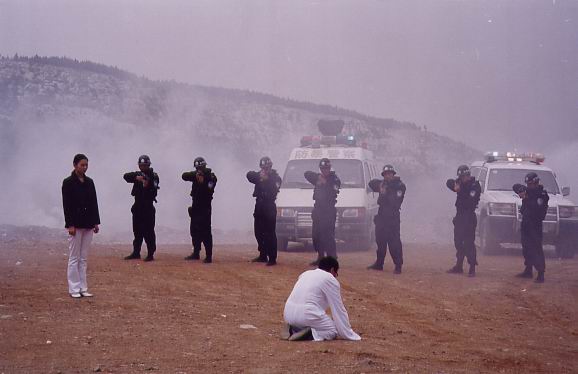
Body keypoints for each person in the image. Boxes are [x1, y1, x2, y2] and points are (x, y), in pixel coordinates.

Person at [283, 256, 361, 341]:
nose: (335, 276)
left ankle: (293, 329)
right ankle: (311, 334)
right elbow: (338, 309)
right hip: (307, 314)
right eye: (336, 273)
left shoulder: (305, 273)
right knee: (333, 330)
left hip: (288, 314)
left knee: (322, 318)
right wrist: (348, 333)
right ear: (332, 270)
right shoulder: (330, 278)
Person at [61, 154, 100, 298]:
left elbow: (94, 202)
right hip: (76, 224)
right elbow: (67, 205)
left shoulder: (90, 182)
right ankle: (74, 288)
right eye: (82, 165)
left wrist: (96, 222)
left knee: (83, 258)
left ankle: (83, 287)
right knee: (74, 257)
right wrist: (70, 224)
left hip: (88, 223)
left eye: (86, 165)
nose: (84, 167)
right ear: (75, 165)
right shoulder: (68, 182)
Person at [367, 164, 406, 274]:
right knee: (380, 241)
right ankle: (379, 263)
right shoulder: (383, 184)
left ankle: (398, 266)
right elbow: (371, 183)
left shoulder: (400, 186)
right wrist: (381, 186)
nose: (387, 176)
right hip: (382, 217)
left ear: (393, 174)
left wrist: (385, 192)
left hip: (392, 218)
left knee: (394, 243)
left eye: (389, 174)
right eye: (385, 174)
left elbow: (395, 202)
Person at [513, 172, 549, 283]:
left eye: (531, 184)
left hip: (535, 224)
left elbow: (537, 209)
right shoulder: (528, 191)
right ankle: (528, 270)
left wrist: (527, 197)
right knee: (526, 248)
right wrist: (522, 190)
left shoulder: (541, 195)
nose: (529, 186)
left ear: (536, 183)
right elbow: (515, 186)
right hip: (526, 223)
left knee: (536, 248)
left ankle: (541, 273)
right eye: (528, 184)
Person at [446, 165, 481, 277]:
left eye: (464, 176)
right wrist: (455, 186)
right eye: (461, 177)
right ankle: (459, 265)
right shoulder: (460, 183)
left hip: (469, 216)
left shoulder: (475, 186)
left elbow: (470, 201)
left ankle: (472, 267)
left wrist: (460, 189)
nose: (463, 178)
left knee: (469, 242)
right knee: (458, 241)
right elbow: (449, 182)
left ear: (468, 175)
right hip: (460, 215)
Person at [247, 156, 282, 266]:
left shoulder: (276, 178)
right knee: (258, 232)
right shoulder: (259, 176)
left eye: (267, 168)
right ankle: (262, 254)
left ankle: (272, 258)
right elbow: (249, 175)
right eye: (263, 168)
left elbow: (275, 189)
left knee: (270, 233)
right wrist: (259, 176)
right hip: (259, 206)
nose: (265, 170)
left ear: (270, 167)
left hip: (269, 206)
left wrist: (268, 179)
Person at [123, 155, 159, 262]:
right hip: (138, 206)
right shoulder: (137, 174)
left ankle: (150, 253)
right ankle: (136, 252)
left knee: (149, 232)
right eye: (141, 165)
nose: (143, 167)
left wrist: (147, 184)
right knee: (137, 231)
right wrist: (136, 178)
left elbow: (154, 189)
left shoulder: (153, 176)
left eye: (145, 165)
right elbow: (125, 176)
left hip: (148, 206)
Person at [304, 158, 340, 266]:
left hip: (329, 211)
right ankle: (320, 257)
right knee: (316, 235)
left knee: (328, 235)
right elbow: (306, 174)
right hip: (318, 210)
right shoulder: (318, 178)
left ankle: (332, 258)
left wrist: (326, 183)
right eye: (323, 169)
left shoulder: (335, 179)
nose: (325, 170)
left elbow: (334, 189)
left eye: (326, 168)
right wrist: (319, 178)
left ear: (330, 168)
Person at [182, 157, 217, 263]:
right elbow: (184, 176)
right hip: (196, 206)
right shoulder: (195, 175)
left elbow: (209, 189)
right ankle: (196, 252)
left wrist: (203, 181)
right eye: (197, 168)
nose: (199, 170)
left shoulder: (211, 177)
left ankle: (208, 255)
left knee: (206, 232)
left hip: (205, 207)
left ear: (205, 166)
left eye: (201, 167)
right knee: (194, 230)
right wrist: (195, 175)